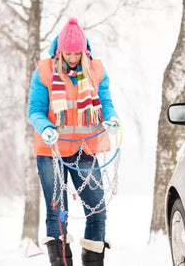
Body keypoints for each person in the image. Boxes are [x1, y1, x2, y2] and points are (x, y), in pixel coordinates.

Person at [28, 17, 120, 266]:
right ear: (59, 50)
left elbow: (106, 103)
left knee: (97, 208)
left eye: (76, 53)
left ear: (84, 50)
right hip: (52, 151)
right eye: (67, 53)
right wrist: (45, 127)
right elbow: (34, 109)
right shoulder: (45, 70)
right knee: (58, 213)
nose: (71, 57)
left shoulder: (96, 70)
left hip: (85, 150)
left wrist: (111, 118)